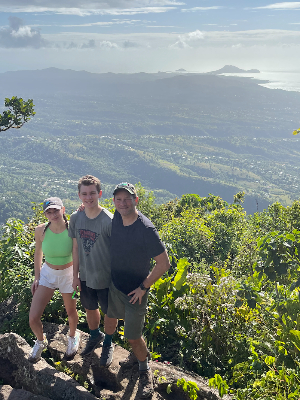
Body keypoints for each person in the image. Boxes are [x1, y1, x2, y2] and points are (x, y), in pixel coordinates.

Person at [107, 182, 171, 398]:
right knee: (115, 319)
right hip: (116, 285)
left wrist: (143, 287)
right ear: (114, 201)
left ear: (136, 200)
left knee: (133, 337)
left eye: (127, 199)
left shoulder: (145, 229)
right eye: (118, 199)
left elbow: (164, 264)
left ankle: (144, 366)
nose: (123, 203)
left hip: (135, 292)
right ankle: (136, 357)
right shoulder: (116, 216)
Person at [69, 175, 118, 367]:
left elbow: (117, 252)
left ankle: (108, 342)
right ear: (79, 195)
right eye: (84, 194)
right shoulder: (75, 218)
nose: (88, 197)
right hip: (85, 275)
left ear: (100, 194)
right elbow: (75, 248)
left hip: (106, 277)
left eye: (92, 193)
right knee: (90, 308)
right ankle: (95, 335)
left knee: (109, 312)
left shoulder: (109, 220)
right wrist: (75, 276)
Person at [29, 197, 79, 363]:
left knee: (71, 311)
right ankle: (40, 341)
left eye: (55, 210)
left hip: (68, 273)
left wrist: (76, 276)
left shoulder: (72, 228)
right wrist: (37, 277)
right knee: (33, 317)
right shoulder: (41, 230)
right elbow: (38, 253)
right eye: (49, 212)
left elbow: (77, 253)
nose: (53, 214)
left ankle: (72, 336)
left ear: (63, 209)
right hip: (48, 274)